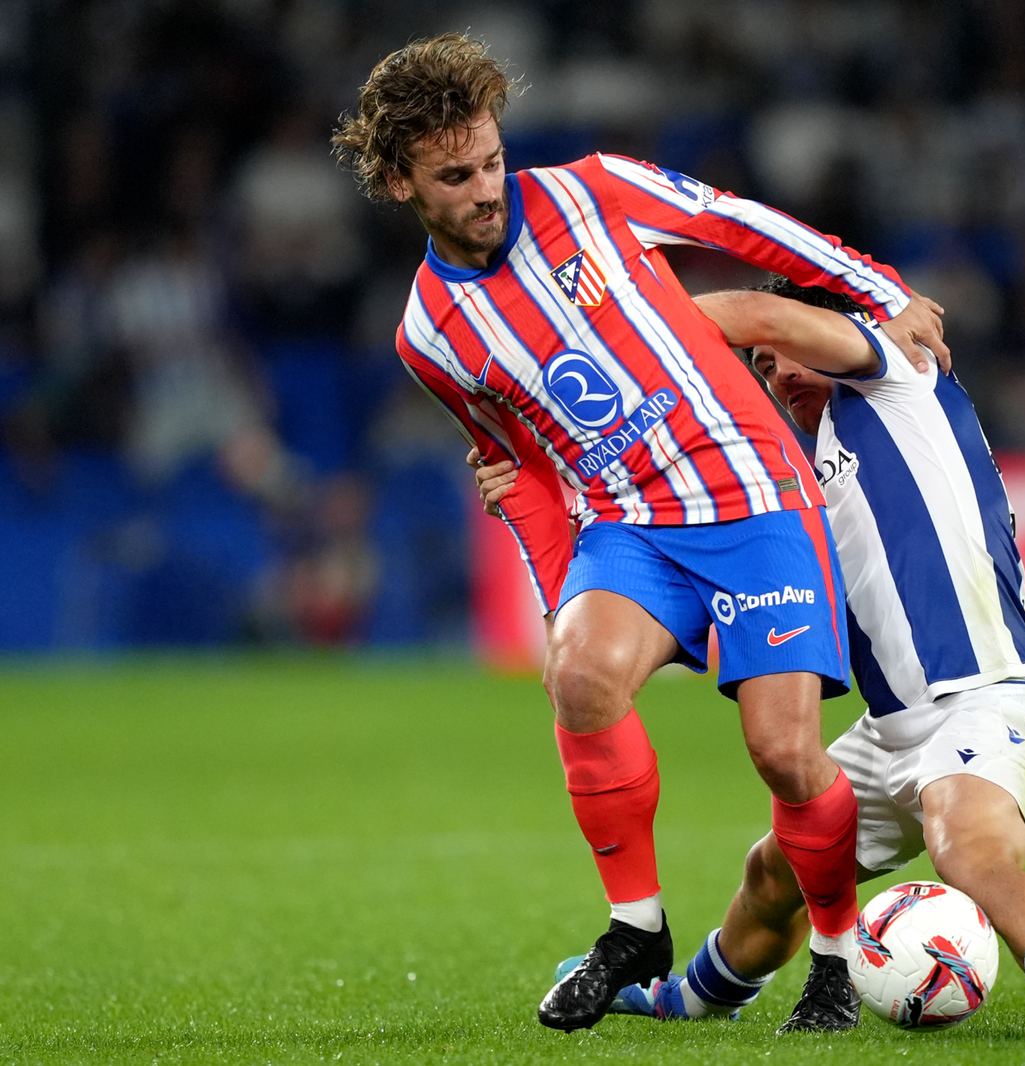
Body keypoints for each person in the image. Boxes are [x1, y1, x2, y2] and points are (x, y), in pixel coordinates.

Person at [331, 34, 949, 1034]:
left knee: (786, 756)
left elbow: (745, 227)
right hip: (631, 523)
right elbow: (517, 471)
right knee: (576, 677)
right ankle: (637, 928)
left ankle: (834, 956)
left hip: (751, 494)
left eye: (491, 159)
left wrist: (877, 289)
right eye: (456, 175)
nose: (487, 188)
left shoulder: (592, 188)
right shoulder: (429, 336)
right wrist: (560, 600)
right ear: (401, 183)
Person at [476, 278, 1025, 1039]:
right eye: (766, 368)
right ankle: (692, 996)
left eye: (789, 356)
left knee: (966, 848)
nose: (780, 376)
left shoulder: (898, 379)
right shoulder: (799, 486)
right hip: (892, 730)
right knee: (774, 874)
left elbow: (758, 314)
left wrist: (604, 342)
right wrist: (537, 480)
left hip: (989, 698)